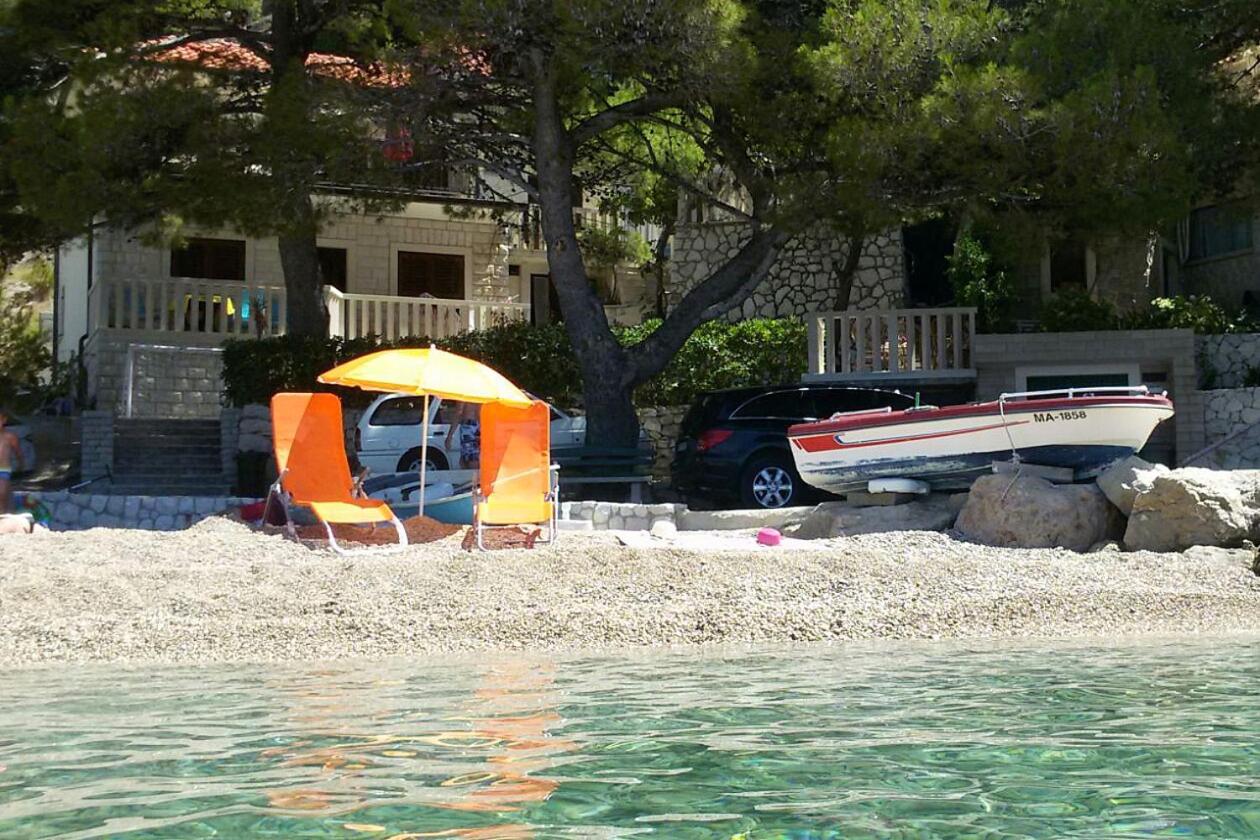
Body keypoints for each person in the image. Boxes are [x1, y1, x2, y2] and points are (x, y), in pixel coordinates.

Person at [0, 410, 23, 513]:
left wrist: (21, 464)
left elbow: (18, 451)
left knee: (2, 494)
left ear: (4, 420)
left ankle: (2, 514)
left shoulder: (10, 437)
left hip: (3, 469)